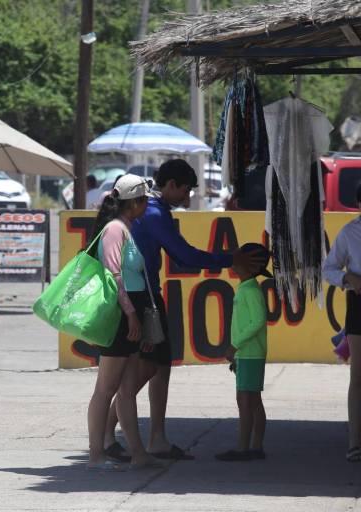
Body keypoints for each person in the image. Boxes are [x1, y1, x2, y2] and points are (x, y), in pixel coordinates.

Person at [104, 159, 262, 461]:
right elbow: (184, 255)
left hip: (150, 295)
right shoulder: (152, 213)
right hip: (143, 298)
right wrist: (231, 258)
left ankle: (157, 438)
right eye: (186, 191)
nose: (188, 198)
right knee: (145, 369)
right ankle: (108, 433)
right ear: (171, 185)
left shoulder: (154, 210)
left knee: (161, 367)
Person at [86, 174, 162, 470]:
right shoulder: (115, 229)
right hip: (121, 315)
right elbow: (114, 274)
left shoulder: (125, 227)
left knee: (127, 389)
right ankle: (95, 455)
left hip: (131, 314)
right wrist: (130, 313)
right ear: (136, 202)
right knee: (106, 388)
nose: (147, 205)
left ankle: (138, 453)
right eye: (145, 200)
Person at [216, 243, 270, 461]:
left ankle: (243, 448)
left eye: (238, 261)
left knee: (245, 400)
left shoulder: (251, 290)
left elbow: (258, 320)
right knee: (252, 400)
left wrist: (235, 345)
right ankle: (255, 447)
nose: (234, 265)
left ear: (250, 267)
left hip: (249, 353)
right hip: (247, 354)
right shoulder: (247, 287)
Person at [322, 183, 361, 462]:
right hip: (359, 306)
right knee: (358, 376)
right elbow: (329, 269)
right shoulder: (349, 232)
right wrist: (348, 279)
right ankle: (355, 442)